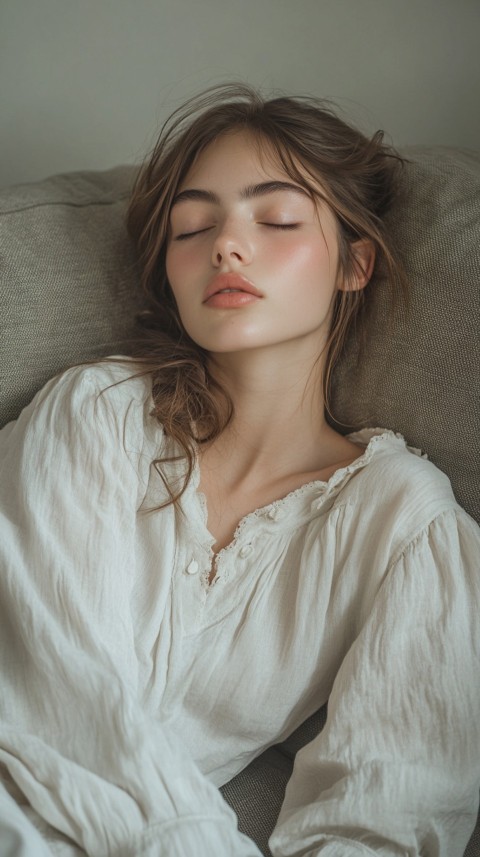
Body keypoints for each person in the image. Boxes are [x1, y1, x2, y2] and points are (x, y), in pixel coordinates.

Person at [0, 83, 479, 857]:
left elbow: (389, 812)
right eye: (194, 226)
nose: (226, 244)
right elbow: (54, 696)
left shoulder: (407, 523)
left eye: (278, 217)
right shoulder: (94, 413)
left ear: (355, 263)